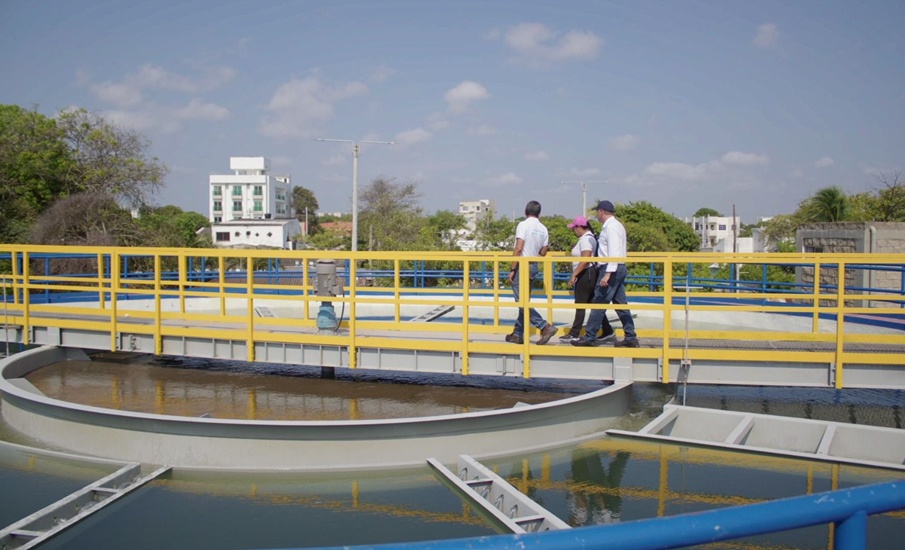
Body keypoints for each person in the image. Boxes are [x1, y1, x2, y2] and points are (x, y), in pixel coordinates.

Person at [572, 200, 639, 348]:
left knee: (599, 301)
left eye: (597, 212)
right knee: (620, 304)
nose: (597, 215)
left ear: (602, 211)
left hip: (611, 268)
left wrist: (608, 273)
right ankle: (630, 336)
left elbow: (614, 251)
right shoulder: (616, 225)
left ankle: (589, 337)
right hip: (616, 267)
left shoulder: (611, 227)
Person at [506, 200, 557, 345]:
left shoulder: (523, 225)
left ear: (525, 211)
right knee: (524, 302)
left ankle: (544, 326)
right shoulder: (543, 229)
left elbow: (519, 248)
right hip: (534, 265)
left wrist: (512, 269)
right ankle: (517, 334)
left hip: (522, 265)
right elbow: (543, 252)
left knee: (521, 302)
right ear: (539, 213)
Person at [560, 216, 615, 343]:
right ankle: (607, 330)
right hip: (589, 273)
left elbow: (585, 259)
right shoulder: (588, 238)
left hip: (586, 274)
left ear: (579, 227)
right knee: (592, 303)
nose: (573, 231)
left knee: (580, 303)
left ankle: (574, 333)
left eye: (574, 228)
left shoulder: (585, 240)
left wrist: (574, 274)